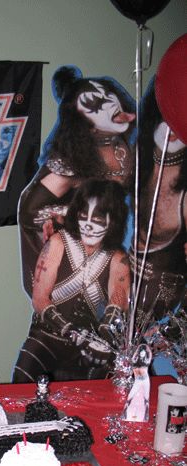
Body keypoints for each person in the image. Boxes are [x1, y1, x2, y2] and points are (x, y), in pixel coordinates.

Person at [18, 66, 135, 297]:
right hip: (87, 259)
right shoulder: (71, 163)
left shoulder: (124, 144)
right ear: (83, 123)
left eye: (108, 96)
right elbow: (28, 210)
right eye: (97, 105)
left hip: (125, 247)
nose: (110, 103)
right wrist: (79, 213)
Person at [13, 179, 130, 383]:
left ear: (114, 221)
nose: (89, 225)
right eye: (84, 216)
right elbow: (39, 299)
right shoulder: (58, 242)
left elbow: (118, 297)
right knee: (20, 394)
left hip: (90, 349)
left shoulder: (118, 257)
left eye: (100, 218)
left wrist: (103, 337)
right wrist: (71, 330)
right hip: (46, 339)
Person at [132, 80, 187, 319]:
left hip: (156, 315)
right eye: (168, 111)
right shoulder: (133, 162)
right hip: (113, 290)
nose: (172, 124)